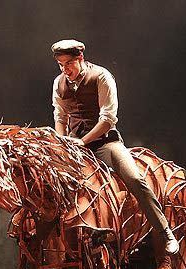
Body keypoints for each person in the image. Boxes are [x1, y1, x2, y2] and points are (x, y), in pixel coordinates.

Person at [50, 39, 179, 256]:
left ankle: (165, 232)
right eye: (61, 65)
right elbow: (60, 117)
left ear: (80, 58)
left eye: (69, 63)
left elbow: (107, 119)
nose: (65, 69)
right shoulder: (58, 82)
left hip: (104, 143)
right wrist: (62, 143)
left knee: (135, 180)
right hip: (74, 148)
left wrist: (83, 141)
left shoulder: (101, 76)